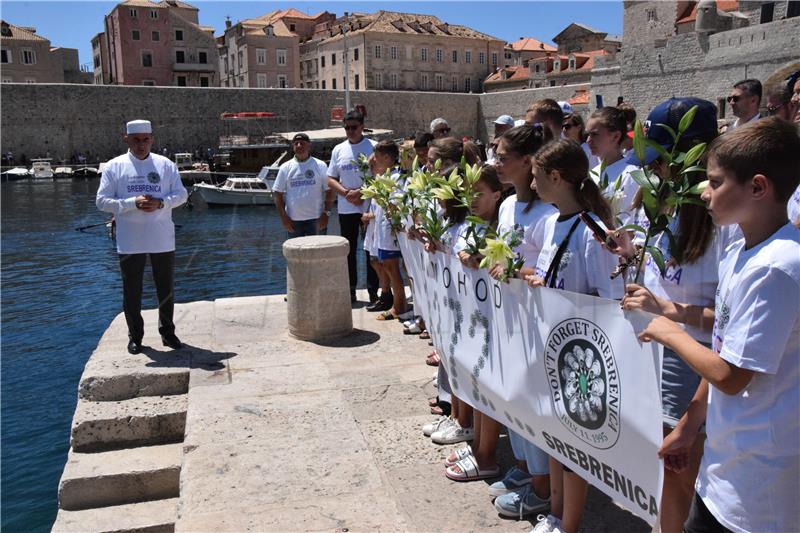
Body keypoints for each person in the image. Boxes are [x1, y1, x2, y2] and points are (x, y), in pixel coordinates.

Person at [640, 117, 800, 533]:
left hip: (760, 484)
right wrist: (690, 425)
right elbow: (726, 346)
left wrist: (670, 332)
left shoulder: (777, 266)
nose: (703, 192)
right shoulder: (741, 253)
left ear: (758, 187)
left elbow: (731, 375)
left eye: (715, 181)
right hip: (724, 467)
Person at [616, 97, 739, 533]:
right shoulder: (664, 206)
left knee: (682, 474)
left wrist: (667, 311)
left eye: (662, 163)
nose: (654, 172)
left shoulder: (725, 226)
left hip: (693, 369)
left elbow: (726, 322)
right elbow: (665, 275)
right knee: (667, 470)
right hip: (655, 357)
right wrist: (630, 253)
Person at [526, 138, 623, 533]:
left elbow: (608, 298)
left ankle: (570, 524)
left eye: (536, 177)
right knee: (554, 434)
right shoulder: (552, 222)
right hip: (552, 345)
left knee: (575, 446)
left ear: (555, 177)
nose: (532, 185)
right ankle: (556, 511)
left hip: (579, 355)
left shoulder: (593, 230)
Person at [96, 119, 188, 355]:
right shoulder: (114, 167)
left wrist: (161, 203)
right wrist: (131, 203)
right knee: (132, 290)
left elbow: (182, 194)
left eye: (145, 140)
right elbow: (101, 201)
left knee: (165, 289)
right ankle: (135, 336)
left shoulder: (165, 164)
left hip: (162, 238)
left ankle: (168, 333)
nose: (141, 145)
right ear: (126, 139)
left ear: (152, 139)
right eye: (136, 140)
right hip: (129, 240)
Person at [327, 109, 379, 303]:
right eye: (347, 128)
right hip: (346, 208)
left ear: (362, 127)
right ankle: (350, 290)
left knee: (370, 250)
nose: (350, 131)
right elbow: (330, 178)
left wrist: (361, 192)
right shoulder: (338, 149)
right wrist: (346, 193)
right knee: (348, 251)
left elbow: (381, 177)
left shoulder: (373, 147)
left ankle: (374, 291)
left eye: (354, 127)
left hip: (369, 208)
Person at [586, 107, 640, 224]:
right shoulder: (592, 174)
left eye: (595, 134)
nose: (588, 140)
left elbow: (629, 224)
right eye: (588, 134)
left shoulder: (631, 175)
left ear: (615, 136)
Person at [272, 132, 332, 238]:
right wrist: (284, 218)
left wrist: (326, 214)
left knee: (318, 253)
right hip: (293, 221)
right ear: (293, 146)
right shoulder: (285, 167)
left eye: (302, 143)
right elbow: (277, 194)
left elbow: (330, 191)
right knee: (296, 254)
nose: (299, 145)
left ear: (309, 145)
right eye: (296, 143)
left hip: (316, 219)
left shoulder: (320, 165)